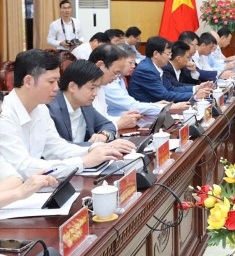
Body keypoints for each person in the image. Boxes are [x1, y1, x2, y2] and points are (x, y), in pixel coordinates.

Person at [0, 49, 124, 178]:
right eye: (51, 82)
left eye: (57, 81)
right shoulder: (4, 114)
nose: (56, 88)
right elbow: (23, 167)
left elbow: (55, 148)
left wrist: (92, 149)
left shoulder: (41, 108)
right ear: (28, 81)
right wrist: (83, 162)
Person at [48, 60, 124, 145]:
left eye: (97, 88)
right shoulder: (51, 109)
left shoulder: (85, 106)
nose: (95, 93)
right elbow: (56, 146)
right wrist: (94, 146)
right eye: (92, 88)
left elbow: (107, 124)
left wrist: (103, 135)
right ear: (72, 87)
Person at [103, 44, 187, 117]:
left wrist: (154, 105)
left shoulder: (120, 78)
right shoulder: (109, 84)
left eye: (134, 62)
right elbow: (132, 106)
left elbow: (130, 105)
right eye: (130, 62)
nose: (133, 66)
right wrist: (169, 107)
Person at [128, 36, 212, 103]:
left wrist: (197, 88)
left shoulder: (156, 67)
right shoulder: (146, 70)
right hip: (144, 114)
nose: (170, 57)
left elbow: (171, 88)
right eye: (168, 54)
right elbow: (165, 95)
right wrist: (195, 95)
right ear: (156, 54)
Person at [88, 43, 141, 130]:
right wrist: (118, 124)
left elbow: (103, 118)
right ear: (101, 66)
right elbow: (90, 127)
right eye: (116, 73)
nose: (115, 78)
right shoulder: (82, 88)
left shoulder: (100, 87)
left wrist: (123, 119)